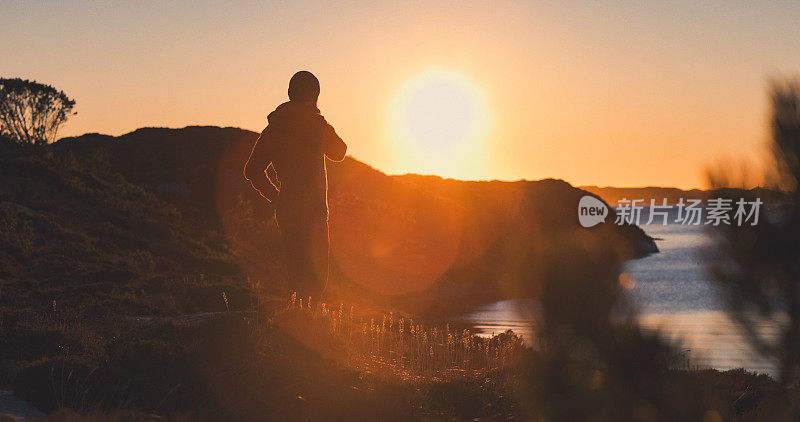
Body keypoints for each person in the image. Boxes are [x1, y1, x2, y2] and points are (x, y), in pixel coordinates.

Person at [243, 71, 347, 302]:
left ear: (290, 94)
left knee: (296, 267)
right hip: (314, 210)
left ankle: (294, 321)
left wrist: (276, 196)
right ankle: (308, 325)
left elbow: (252, 170)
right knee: (316, 276)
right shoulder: (315, 125)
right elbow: (339, 151)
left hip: (287, 207)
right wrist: (319, 120)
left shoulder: (275, 127)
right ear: (316, 96)